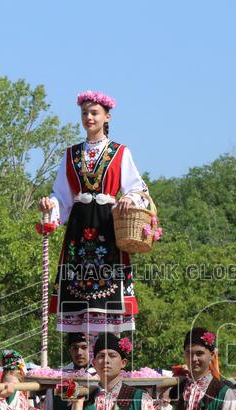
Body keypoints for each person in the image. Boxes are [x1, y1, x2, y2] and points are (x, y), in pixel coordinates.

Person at [38, 91, 151, 334]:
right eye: (84, 113)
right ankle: (81, 354)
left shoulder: (121, 152)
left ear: (107, 117)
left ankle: (107, 351)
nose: (89, 117)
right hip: (79, 227)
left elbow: (137, 188)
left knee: (107, 288)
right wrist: (51, 206)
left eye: (94, 113)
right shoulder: (71, 154)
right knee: (78, 288)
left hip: (107, 226)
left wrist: (128, 199)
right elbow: (61, 195)